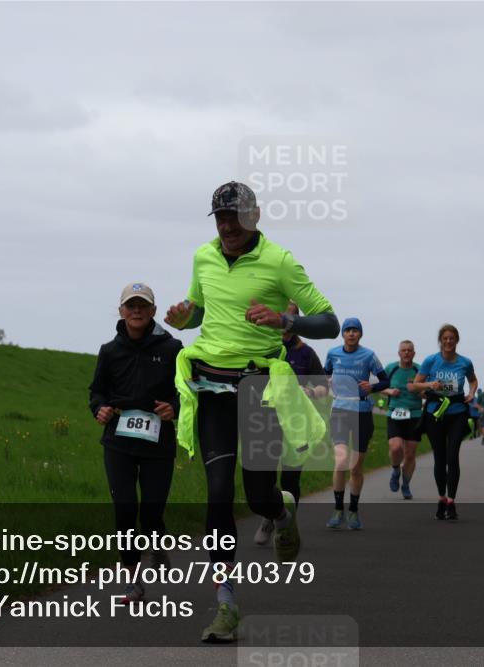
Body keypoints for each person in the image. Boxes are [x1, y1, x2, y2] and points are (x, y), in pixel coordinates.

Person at [164, 181, 339, 643]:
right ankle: (226, 604)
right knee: (219, 493)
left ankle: (281, 513)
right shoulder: (203, 257)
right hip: (212, 388)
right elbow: (201, 310)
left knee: (259, 494)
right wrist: (185, 316)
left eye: (236, 217)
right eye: (221, 218)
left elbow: (329, 321)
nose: (227, 227)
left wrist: (285, 320)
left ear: (255, 216)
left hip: (259, 388)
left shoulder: (280, 262)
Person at [89, 282, 182, 605]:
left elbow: (184, 390)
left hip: (158, 441)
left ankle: (157, 540)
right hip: (118, 440)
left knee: (152, 512)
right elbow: (97, 391)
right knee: (125, 509)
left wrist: (174, 407)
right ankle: (133, 581)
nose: (137, 310)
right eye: (131, 305)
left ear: (153, 311)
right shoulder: (110, 351)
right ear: (121, 311)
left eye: (143, 305)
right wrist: (99, 408)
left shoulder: (173, 348)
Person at [254, 301, 328, 546]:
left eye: (289, 314)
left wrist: (311, 392)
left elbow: (323, 387)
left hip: (296, 425)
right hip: (266, 422)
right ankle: (271, 515)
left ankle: (286, 527)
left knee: (290, 479)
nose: (282, 317)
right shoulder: (264, 348)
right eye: (279, 311)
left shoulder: (306, 353)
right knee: (264, 479)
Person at [324, 318, 390, 529]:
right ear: (343, 334)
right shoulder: (333, 354)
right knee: (340, 461)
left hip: (362, 412)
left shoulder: (368, 355)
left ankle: (353, 510)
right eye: (348, 330)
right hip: (340, 410)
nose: (351, 333)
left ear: (360, 334)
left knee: (355, 467)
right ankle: (337, 509)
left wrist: (373, 387)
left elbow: (385, 380)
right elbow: (324, 375)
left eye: (355, 330)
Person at [408, 324, 477, 521]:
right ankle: (441, 498)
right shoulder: (431, 360)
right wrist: (430, 384)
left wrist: (471, 393)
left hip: (457, 412)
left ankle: (452, 501)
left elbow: (473, 380)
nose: (448, 341)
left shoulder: (465, 362)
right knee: (439, 458)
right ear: (440, 340)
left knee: (452, 456)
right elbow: (414, 386)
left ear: (456, 340)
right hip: (435, 413)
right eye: (445, 338)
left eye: (451, 338)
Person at [381, 340, 423, 499]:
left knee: (410, 454)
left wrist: (419, 391)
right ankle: (395, 470)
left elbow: (428, 390)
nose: (406, 353)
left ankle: (405, 485)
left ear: (414, 353)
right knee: (395, 447)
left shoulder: (419, 370)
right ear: (399, 353)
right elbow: (379, 386)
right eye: (403, 350)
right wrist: (390, 391)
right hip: (395, 413)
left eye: (409, 350)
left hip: (415, 415)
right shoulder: (391, 368)